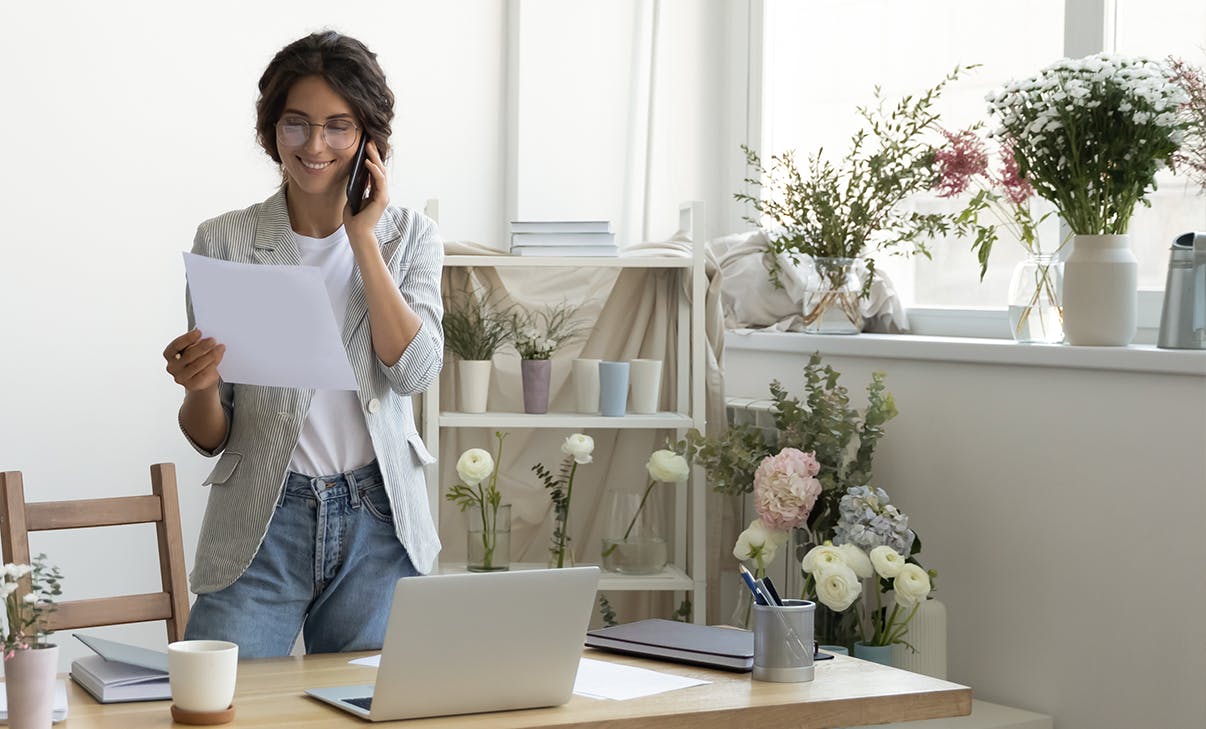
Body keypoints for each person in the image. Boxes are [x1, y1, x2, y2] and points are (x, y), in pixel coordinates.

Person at [161, 31, 444, 658]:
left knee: (369, 710)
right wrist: (200, 387)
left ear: (369, 138)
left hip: (380, 524)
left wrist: (362, 239)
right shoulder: (225, 240)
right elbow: (211, 434)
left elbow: (416, 373)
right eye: (297, 125)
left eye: (338, 127)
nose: (315, 147)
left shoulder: (411, 237)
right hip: (263, 519)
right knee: (215, 705)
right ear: (272, 132)